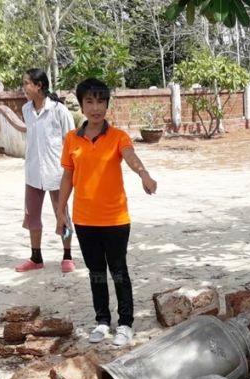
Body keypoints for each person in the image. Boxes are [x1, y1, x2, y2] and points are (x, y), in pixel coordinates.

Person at [56, 78, 158, 347]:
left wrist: (144, 174)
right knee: (96, 272)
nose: (96, 107)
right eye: (89, 101)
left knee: (119, 270)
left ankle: (125, 323)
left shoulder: (117, 137)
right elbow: (67, 177)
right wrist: (60, 211)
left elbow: (130, 156)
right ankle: (102, 320)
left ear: (107, 104)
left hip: (115, 219)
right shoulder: (71, 140)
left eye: (100, 101)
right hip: (84, 219)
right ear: (81, 105)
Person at [15, 68, 77, 273]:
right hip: (33, 172)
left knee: (62, 214)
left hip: (57, 173)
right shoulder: (26, 110)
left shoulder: (59, 110)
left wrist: (72, 170)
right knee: (32, 215)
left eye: (26, 83)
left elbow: (71, 142)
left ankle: (67, 255)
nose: (23, 88)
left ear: (38, 85)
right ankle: (36, 257)